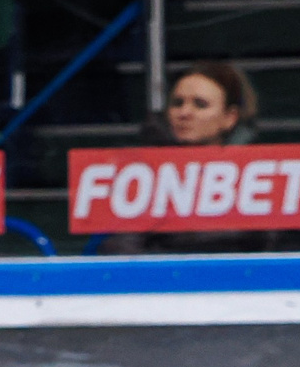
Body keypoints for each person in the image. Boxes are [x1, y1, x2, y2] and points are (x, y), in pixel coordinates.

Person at [101, 62, 275, 255]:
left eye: (200, 105)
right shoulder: (140, 174)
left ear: (229, 117)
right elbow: (121, 249)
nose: (184, 113)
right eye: (177, 103)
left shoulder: (263, 175)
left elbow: (279, 249)